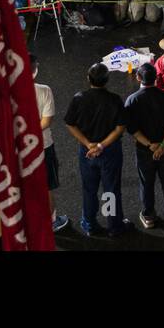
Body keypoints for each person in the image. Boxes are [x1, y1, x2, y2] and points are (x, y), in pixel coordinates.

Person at [63, 63, 129, 237]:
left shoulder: (79, 98)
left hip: (87, 153)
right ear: (107, 80)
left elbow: (70, 123)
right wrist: (101, 145)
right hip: (110, 152)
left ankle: (90, 224)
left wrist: (88, 144)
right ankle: (113, 226)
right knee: (110, 190)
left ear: (88, 78)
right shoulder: (114, 99)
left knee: (89, 189)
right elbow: (120, 127)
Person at [123, 62, 164, 229]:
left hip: (144, 150)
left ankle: (148, 215)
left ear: (138, 78)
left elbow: (133, 130)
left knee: (146, 183)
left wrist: (151, 145)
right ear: (157, 78)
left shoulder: (132, 100)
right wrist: (163, 145)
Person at [31, 54, 69, 233]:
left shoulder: (9, 92)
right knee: (47, 186)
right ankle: (51, 221)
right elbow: (47, 120)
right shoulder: (44, 90)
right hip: (43, 146)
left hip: (19, 148)